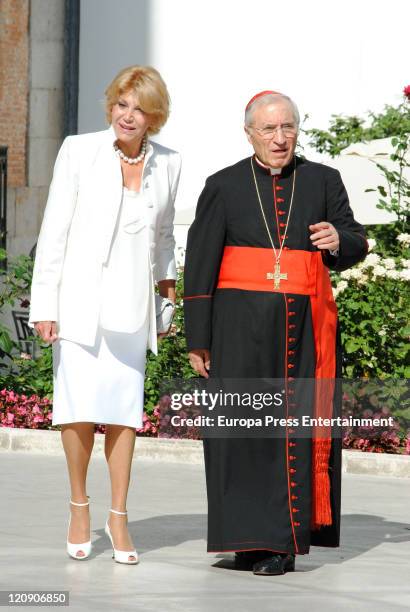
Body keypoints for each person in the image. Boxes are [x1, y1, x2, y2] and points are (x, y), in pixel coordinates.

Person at [183, 90, 368, 575]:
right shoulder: (222, 185)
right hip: (236, 329)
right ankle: (244, 540)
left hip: (302, 331)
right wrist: (197, 338)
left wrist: (339, 241)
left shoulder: (323, 180)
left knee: (289, 432)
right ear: (250, 134)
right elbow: (200, 262)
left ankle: (279, 546)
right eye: (269, 129)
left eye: (287, 127)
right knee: (239, 433)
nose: (280, 138)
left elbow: (355, 239)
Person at [29, 65, 181, 564]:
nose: (128, 115)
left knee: (123, 414)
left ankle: (119, 515)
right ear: (111, 106)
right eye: (121, 104)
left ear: (154, 116)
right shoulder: (78, 150)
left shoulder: (170, 164)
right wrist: (45, 304)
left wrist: (166, 300)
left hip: (132, 311)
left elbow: (163, 241)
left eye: (139, 107)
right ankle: (79, 506)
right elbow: (54, 229)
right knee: (77, 410)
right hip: (78, 307)